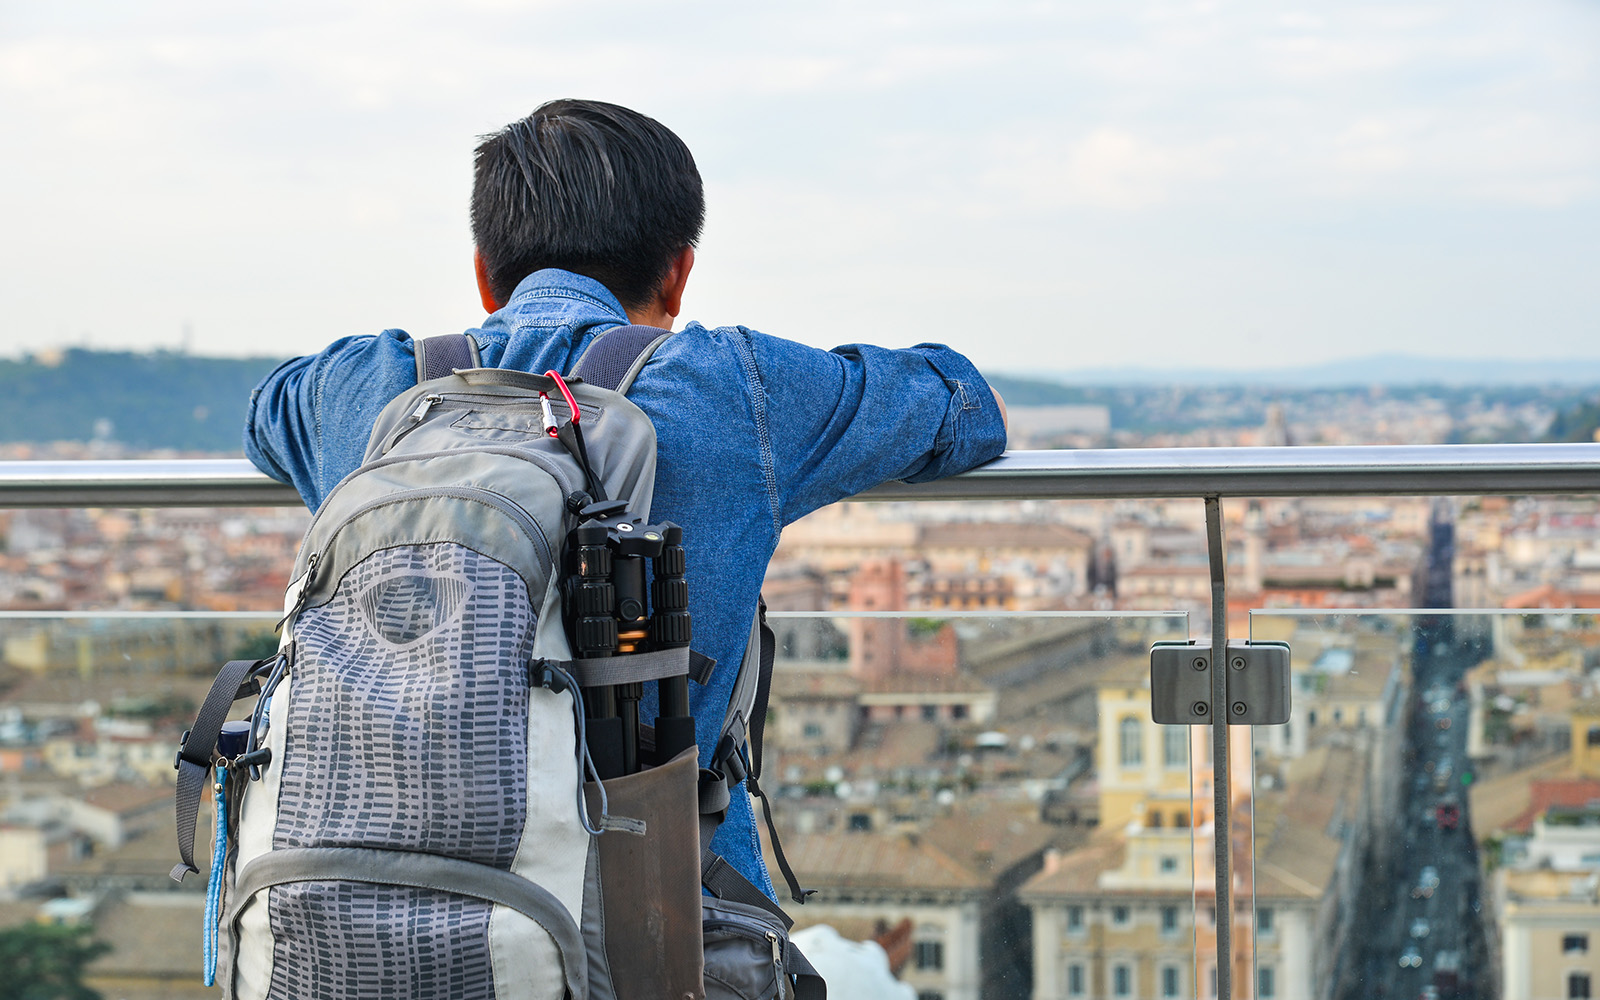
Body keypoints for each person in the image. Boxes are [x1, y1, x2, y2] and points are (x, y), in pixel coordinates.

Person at [244, 98, 1008, 901]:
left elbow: (265, 412)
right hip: (660, 916)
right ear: (677, 272)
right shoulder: (729, 387)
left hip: (365, 906)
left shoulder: (359, 388)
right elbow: (962, 405)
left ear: (482, 272)